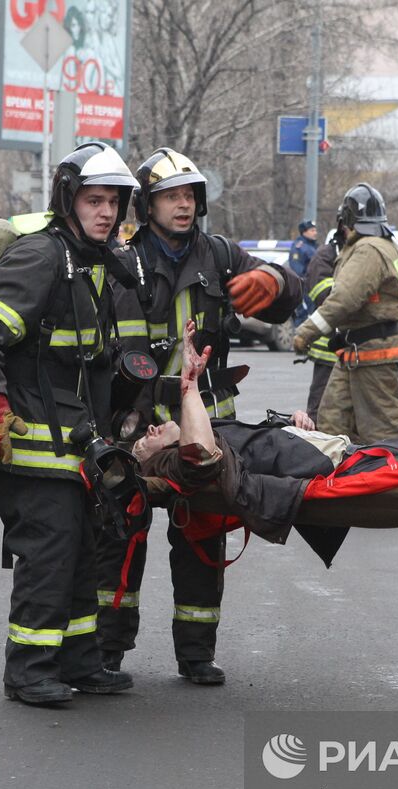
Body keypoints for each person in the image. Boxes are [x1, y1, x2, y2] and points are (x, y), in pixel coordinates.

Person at [96, 146, 302, 686]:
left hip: (208, 422)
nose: (183, 206)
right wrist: (130, 429)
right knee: (123, 534)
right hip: (137, 425)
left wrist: (277, 285)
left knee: (202, 532)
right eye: (170, 197)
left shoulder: (218, 254)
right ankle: (108, 651)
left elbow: (286, 292)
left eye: (189, 195)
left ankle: (195, 653)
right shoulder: (123, 260)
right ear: (147, 205)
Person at [0, 142, 138, 706]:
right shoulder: (41, 257)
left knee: (82, 548)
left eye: (114, 202)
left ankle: (80, 661)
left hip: (69, 440)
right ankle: (29, 669)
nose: (105, 212)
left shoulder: (95, 264)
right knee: (51, 549)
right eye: (93, 200)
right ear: (68, 200)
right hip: (20, 437)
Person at [292, 184, 398, 444]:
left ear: (347, 220)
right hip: (356, 353)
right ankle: (343, 478)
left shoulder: (368, 250)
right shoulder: (387, 245)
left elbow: (344, 299)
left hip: (372, 355)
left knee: (385, 434)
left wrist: (306, 333)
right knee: (333, 424)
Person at [299, 225, 345, 421]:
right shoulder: (326, 255)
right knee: (319, 407)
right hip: (327, 346)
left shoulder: (358, 254)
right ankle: (315, 439)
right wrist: (348, 293)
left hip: (353, 351)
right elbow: (322, 295)